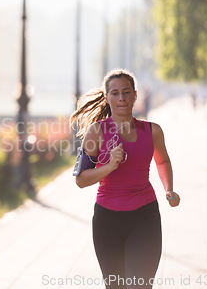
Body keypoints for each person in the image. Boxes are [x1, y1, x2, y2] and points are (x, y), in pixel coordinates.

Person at [69, 69, 180, 289]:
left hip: (144, 217)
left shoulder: (152, 131)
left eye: (126, 92)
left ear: (135, 95)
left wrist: (169, 189)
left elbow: (162, 162)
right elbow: (80, 180)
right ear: (107, 96)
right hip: (107, 221)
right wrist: (109, 166)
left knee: (140, 285)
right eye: (116, 93)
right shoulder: (96, 132)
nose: (121, 98)